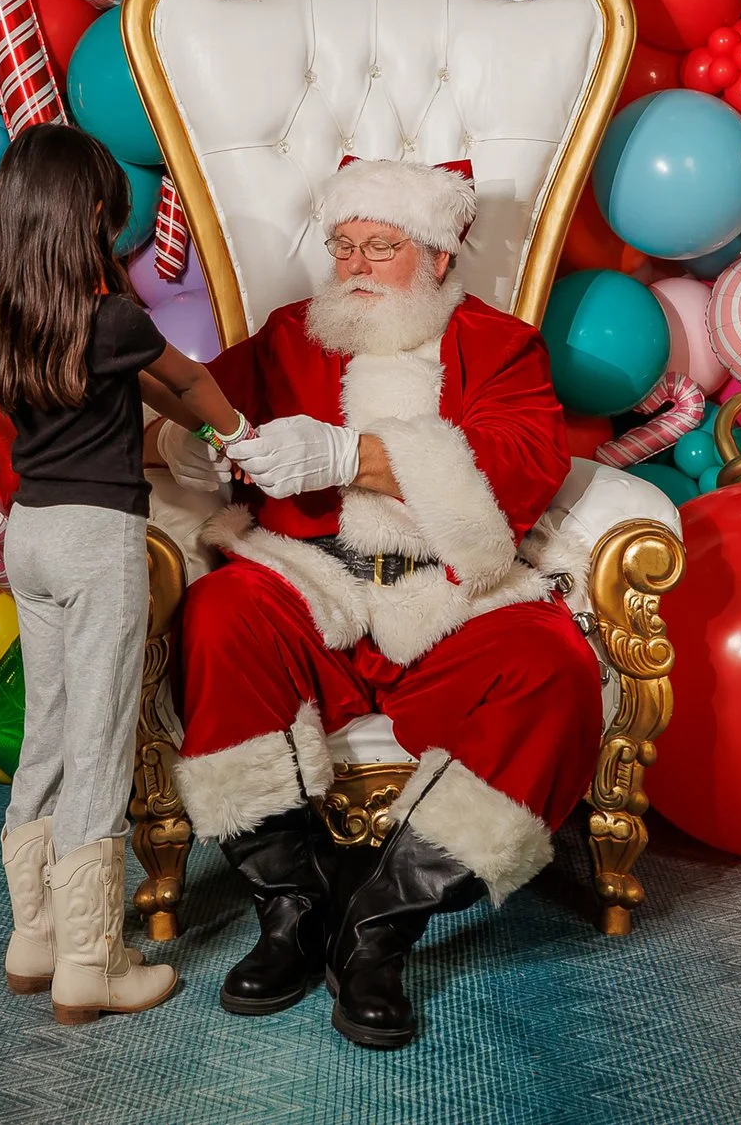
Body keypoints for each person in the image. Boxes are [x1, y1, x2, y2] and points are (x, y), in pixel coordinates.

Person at [157, 158, 604, 1051]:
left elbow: (511, 473)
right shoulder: (290, 334)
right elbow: (198, 410)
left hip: (449, 597)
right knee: (220, 615)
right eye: (345, 245)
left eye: (382, 247)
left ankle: (375, 930)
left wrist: (349, 456)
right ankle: (289, 912)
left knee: (553, 669)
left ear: (437, 256)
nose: (356, 264)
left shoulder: (503, 347)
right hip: (308, 583)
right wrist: (195, 448)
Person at [0, 123, 247, 1027]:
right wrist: (235, 431)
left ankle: (34, 937)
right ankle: (93, 960)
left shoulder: (8, 316)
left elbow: (142, 384)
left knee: (47, 732)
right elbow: (189, 382)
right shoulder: (113, 318)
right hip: (96, 539)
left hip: (31, 533)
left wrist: (183, 407)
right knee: (99, 742)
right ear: (88, 214)